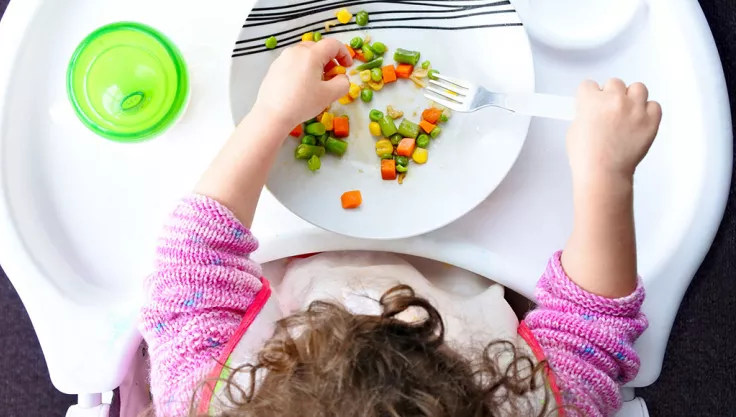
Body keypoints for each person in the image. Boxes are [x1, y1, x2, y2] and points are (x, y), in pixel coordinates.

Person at [139, 38, 662, 417]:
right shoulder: (541, 408)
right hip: (471, 270)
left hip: (300, 266)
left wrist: (271, 115)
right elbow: (592, 326)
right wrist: (606, 174)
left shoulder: (203, 398)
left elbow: (191, 263)